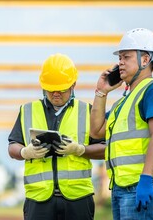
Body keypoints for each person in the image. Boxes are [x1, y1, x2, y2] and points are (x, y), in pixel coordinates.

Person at [8, 53, 106, 220]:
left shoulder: (87, 111)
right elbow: (12, 147)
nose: (56, 94)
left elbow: (105, 149)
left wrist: (80, 149)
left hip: (78, 198)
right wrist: (25, 152)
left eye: (61, 89)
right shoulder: (27, 111)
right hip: (38, 200)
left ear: (73, 84)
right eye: (51, 89)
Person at [90, 28, 153, 219]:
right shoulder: (123, 102)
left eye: (126, 57)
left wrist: (146, 178)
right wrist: (101, 92)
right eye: (119, 57)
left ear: (145, 60)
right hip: (121, 187)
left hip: (142, 185)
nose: (120, 62)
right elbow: (96, 131)